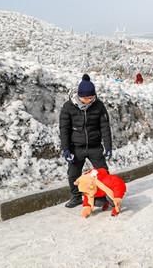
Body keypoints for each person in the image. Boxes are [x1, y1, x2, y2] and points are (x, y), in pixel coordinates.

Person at [59, 74, 113, 208]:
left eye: (91, 98)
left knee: (103, 172)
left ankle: (105, 196)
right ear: (79, 95)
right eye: (85, 98)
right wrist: (65, 149)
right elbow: (64, 129)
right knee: (73, 174)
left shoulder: (99, 106)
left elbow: (105, 127)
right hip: (76, 147)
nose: (89, 101)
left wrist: (108, 147)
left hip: (95, 146)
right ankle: (76, 197)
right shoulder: (68, 107)